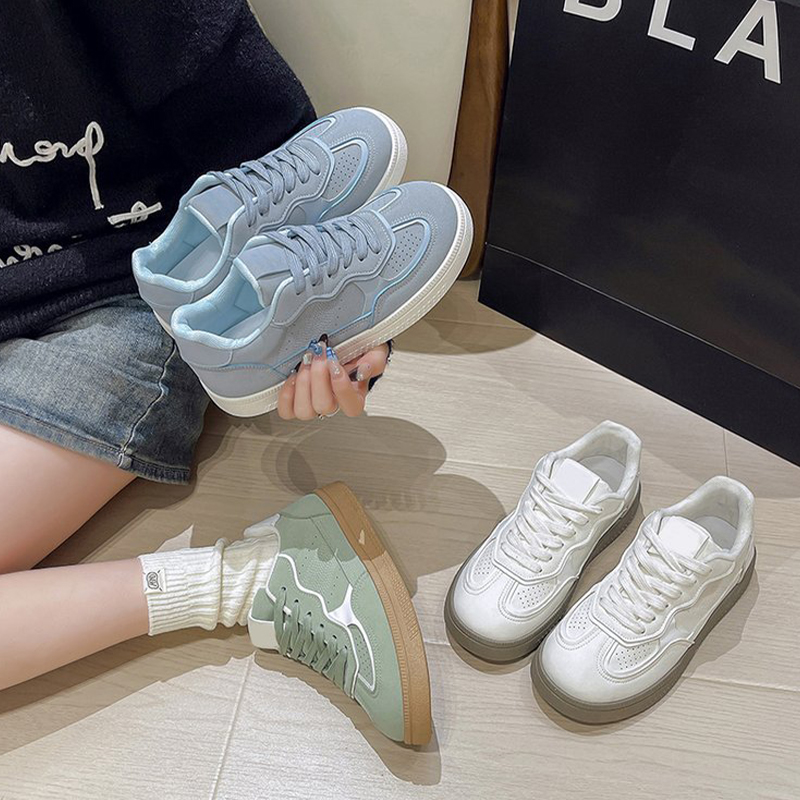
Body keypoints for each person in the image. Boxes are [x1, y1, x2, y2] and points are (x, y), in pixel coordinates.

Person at [0, 0, 391, 692]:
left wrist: (332, 320)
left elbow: (268, 147)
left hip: (124, 294)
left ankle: (246, 578)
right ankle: (259, 576)